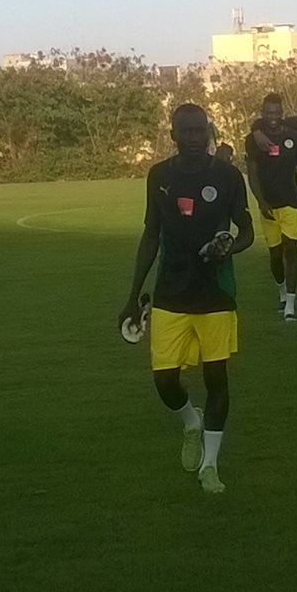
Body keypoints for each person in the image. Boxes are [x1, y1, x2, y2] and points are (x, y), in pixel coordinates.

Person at [119, 104, 255, 494]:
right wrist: (132, 298)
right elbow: (150, 235)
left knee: (216, 378)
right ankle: (191, 423)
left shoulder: (228, 176)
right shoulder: (159, 175)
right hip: (170, 293)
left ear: (209, 132)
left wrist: (228, 248)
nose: (195, 138)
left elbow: (246, 231)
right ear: (173, 134)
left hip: (215, 294)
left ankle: (210, 465)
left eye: (200, 130)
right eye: (186, 131)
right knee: (165, 381)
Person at [245, 93, 297, 320]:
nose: (273, 117)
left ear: (282, 113)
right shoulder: (254, 140)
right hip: (268, 205)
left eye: (277, 112)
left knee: (291, 251)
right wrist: (261, 201)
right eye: (269, 113)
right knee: (275, 256)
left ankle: (290, 304)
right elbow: (253, 175)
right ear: (262, 113)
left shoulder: (294, 137)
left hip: (291, 203)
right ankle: (281, 291)